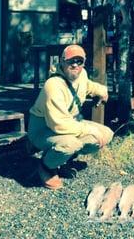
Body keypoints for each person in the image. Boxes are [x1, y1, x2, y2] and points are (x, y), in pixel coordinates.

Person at [28, 44, 113, 190]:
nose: (75, 65)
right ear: (62, 62)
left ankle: (62, 160)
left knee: (106, 134)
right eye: (70, 61)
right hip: (44, 128)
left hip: (68, 123)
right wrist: (89, 129)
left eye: (79, 61)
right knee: (71, 144)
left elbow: (88, 86)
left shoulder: (82, 74)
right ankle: (46, 167)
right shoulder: (53, 85)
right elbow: (59, 124)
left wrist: (102, 91)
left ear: (83, 63)